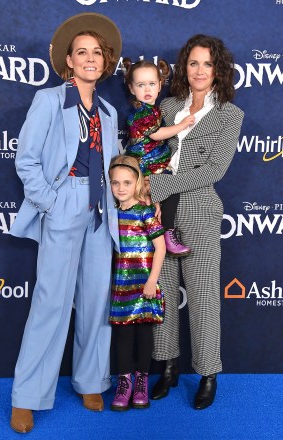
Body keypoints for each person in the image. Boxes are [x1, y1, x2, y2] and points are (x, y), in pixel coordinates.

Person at [9, 13, 122, 433]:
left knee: (96, 301)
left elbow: (111, 166)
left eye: (96, 53)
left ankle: (91, 379)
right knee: (52, 301)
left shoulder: (108, 112)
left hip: (101, 210)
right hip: (64, 201)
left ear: (105, 61)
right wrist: (52, 202)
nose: (90, 59)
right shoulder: (49, 100)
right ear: (69, 62)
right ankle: (27, 395)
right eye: (82, 53)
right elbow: (27, 159)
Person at [145, 34, 244, 409]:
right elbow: (147, 148)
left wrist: (160, 184)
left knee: (203, 299)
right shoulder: (167, 106)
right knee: (163, 293)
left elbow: (215, 169)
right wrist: (148, 187)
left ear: (218, 69)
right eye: (193, 63)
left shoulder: (230, 115)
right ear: (184, 68)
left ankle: (207, 373)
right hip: (158, 212)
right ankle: (167, 366)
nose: (200, 70)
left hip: (199, 211)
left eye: (207, 63)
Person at [108, 155, 166, 411]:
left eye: (127, 183)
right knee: (122, 335)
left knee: (143, 333)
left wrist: (152, 280)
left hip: (145, 284)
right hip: (121, 287)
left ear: (137, 183)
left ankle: (141, 380)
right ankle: (124, 382)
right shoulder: (110, 214)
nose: (121, 188)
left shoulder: (145, 212)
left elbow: (161, 247)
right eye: (115, 183)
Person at [123, 58, 194, 256]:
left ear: (160, 85)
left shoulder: (154, 110)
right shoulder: (142, 114)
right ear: (131, 88)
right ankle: (167, 234)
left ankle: (162, 234)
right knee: (170, 190)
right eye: (140, 84)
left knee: (159, 202)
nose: (147, 89)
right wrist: (182, 125)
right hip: (146, 166)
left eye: (152, 84)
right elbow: (156, 134)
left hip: (154, 164)